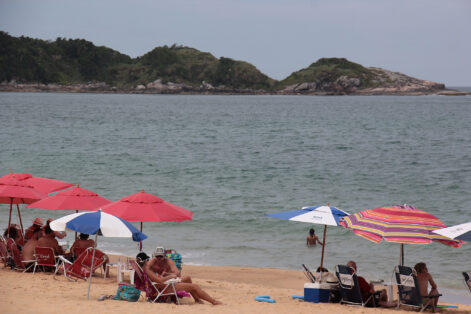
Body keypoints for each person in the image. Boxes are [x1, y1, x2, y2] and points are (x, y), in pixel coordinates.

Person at [138, 251, 222, 305]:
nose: (158, 259)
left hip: (164, 285)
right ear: (146, 260)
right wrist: (170, 276)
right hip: (164, 288)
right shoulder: (148, 269)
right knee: (195, 286)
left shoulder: (147, 267)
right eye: (156, 257)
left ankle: (197, 299)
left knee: (188, 278)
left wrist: (167, 275)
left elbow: (165, 276)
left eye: (160, 257)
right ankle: (213, 302)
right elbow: (159, 281)